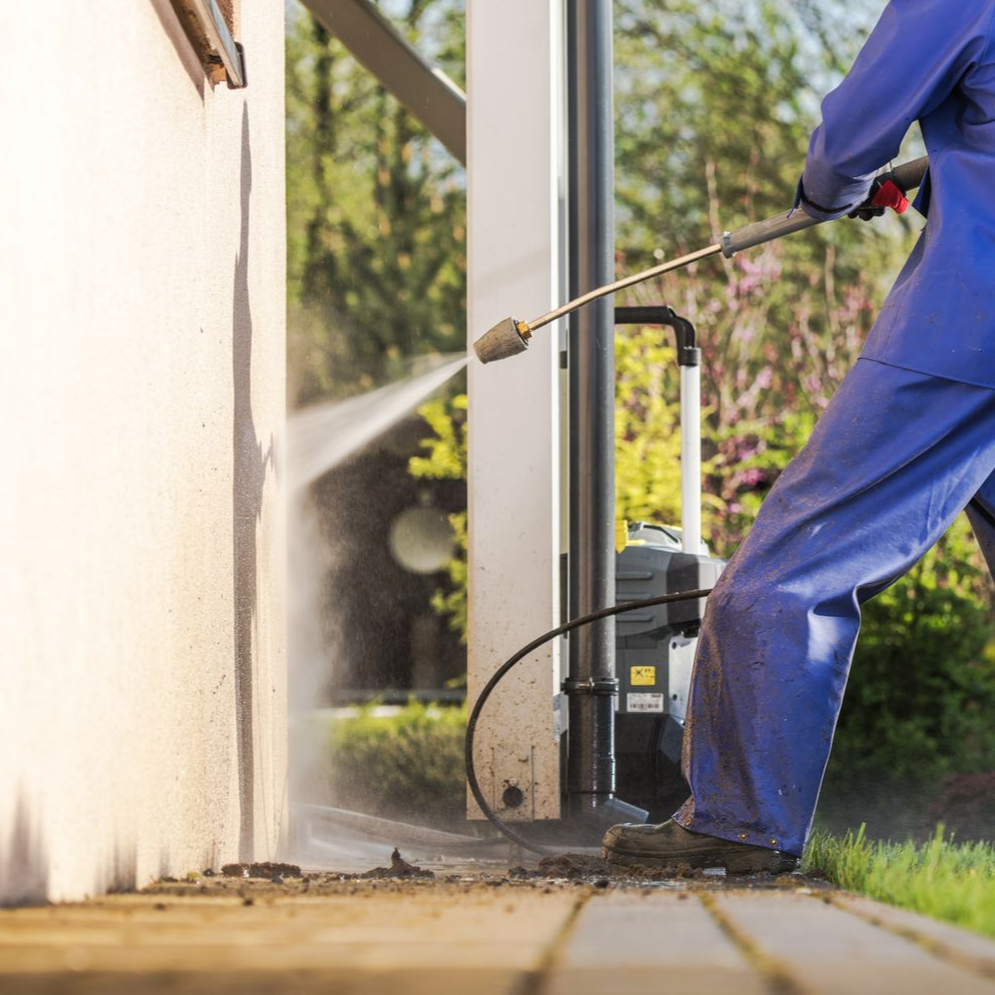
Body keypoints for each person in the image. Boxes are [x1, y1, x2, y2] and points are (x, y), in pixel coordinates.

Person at [602, 0, 995, 874]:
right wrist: (936, 170)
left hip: (971, 324)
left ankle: (739, 820)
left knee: (792, 566)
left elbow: (858, 122)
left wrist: (831, 188)